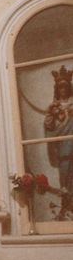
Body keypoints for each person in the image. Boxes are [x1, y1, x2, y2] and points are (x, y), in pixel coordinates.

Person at [44, 65, 73, 193]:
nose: (63, 90)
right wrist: (51, 113)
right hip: (62, 143)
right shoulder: (54, 106)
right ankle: (66, 195)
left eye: (65, 87)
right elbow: (49, 126)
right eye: (60, 87)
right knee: (65, 167)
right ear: (57, 89)